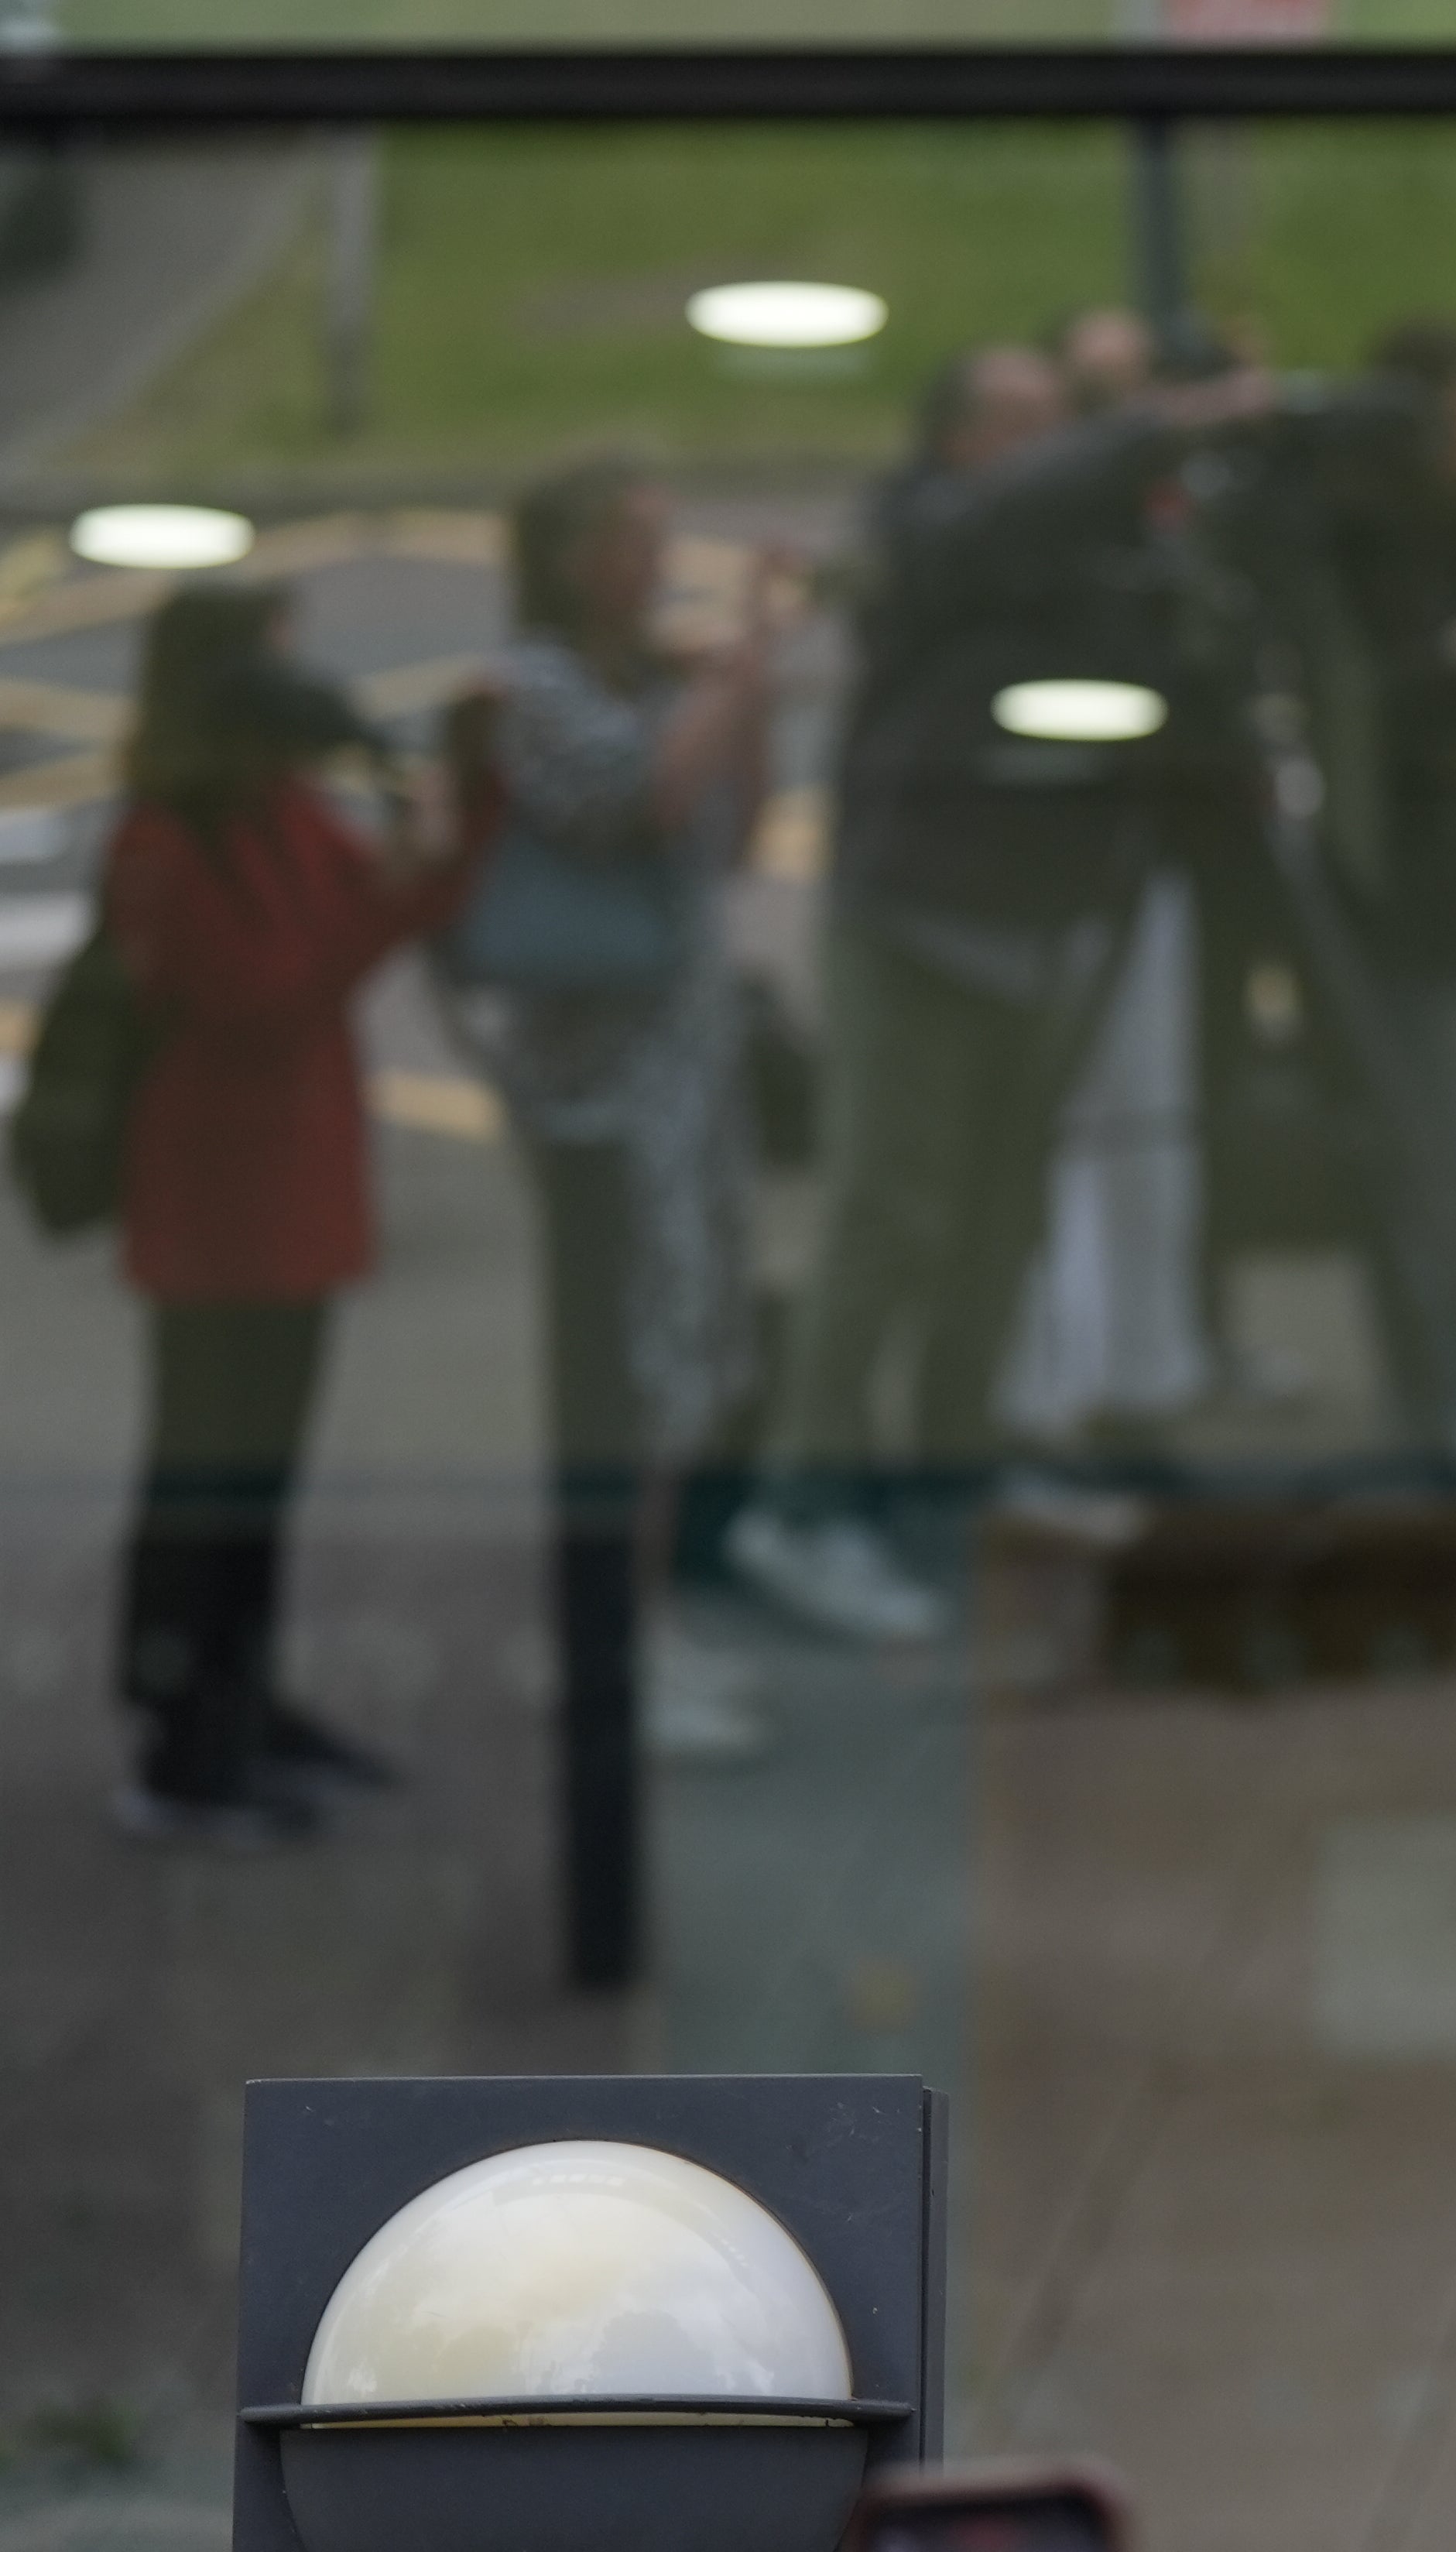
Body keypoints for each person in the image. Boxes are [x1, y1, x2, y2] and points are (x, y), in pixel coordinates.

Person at [727, 340, 1273, 1642]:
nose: (1053, 445)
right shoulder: (926, 529)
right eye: (1023, 422)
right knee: (890, 1212)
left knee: (997, 1221)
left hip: (1041, 924)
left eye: (1062, 424)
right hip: (915, 924)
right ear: (957, 439)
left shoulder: (1082, 547)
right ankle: (803, 1501)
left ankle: (951, 1474)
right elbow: (986, 526)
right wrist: (1157, 429)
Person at [104, 581, 475, 1844]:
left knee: (260, 1476)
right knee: (207, 1471)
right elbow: (264, 996)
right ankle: (180, 1734)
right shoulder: (165, 840)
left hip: (293, 1190)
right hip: (218, 1205)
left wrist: (440, 830)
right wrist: (390, 892)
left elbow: (394, 904)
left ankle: (245, 1698)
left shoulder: (278, 813)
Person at [444, 456, 783, 1808]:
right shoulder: (526, 692)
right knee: (628, 1354)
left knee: (690, 1334)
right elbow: (629, 801)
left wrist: (733, 708)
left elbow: (730, 833)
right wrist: (729, 683)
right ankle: (614, 1644)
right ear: (571, 556)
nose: (658, 563)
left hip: (683, 1059)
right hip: (597, 1077)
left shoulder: (655, 682)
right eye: (635, 539)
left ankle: (654, 1620)